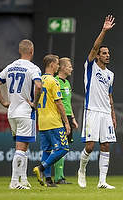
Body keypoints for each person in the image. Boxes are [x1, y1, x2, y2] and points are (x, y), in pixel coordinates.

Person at [0, 39, 42, 190]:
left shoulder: (10, 67)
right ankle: (14, 182)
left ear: (20, 51)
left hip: (12, 112)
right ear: (32, 51)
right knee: (20, 148)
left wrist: (3, 102)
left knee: (23, 147)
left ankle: (24, 179)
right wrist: (35, 104)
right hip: (25, 112)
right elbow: (38, 85)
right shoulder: (33, 68)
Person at [77, 15, 117, 189]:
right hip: (92, 111)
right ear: (98, 56)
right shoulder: (90, 67)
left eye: (108, 53)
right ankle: (82, 169)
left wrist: (113, 115)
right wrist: (104, 30)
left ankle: (102, 181)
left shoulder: (111, 74)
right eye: (104, 53)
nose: (107, 56)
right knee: (90, 146)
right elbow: (94, 46)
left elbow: (109, 96)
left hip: (106, 113)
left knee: (106, 145)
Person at [33, 54, 71, 187]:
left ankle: (48, 180)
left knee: (47, 150)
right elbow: (59, 103)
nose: (58, 66)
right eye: (57, 63)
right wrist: (66, 122)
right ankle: (41, 168)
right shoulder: (53, 81)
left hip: (42, 121)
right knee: (63, 148)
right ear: (52, 65)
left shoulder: (39, 80)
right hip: (53, 121)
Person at [53, 57, 78, 184]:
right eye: (69, 66)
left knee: (65, 147)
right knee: (60, 147)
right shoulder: (55, 82)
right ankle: (58, 177)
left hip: (67, 116)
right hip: (59, 117)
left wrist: (72, 118)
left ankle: (60, 177)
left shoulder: (67, 83)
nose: (72, 69)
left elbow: (68, 102)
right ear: (63, 68)